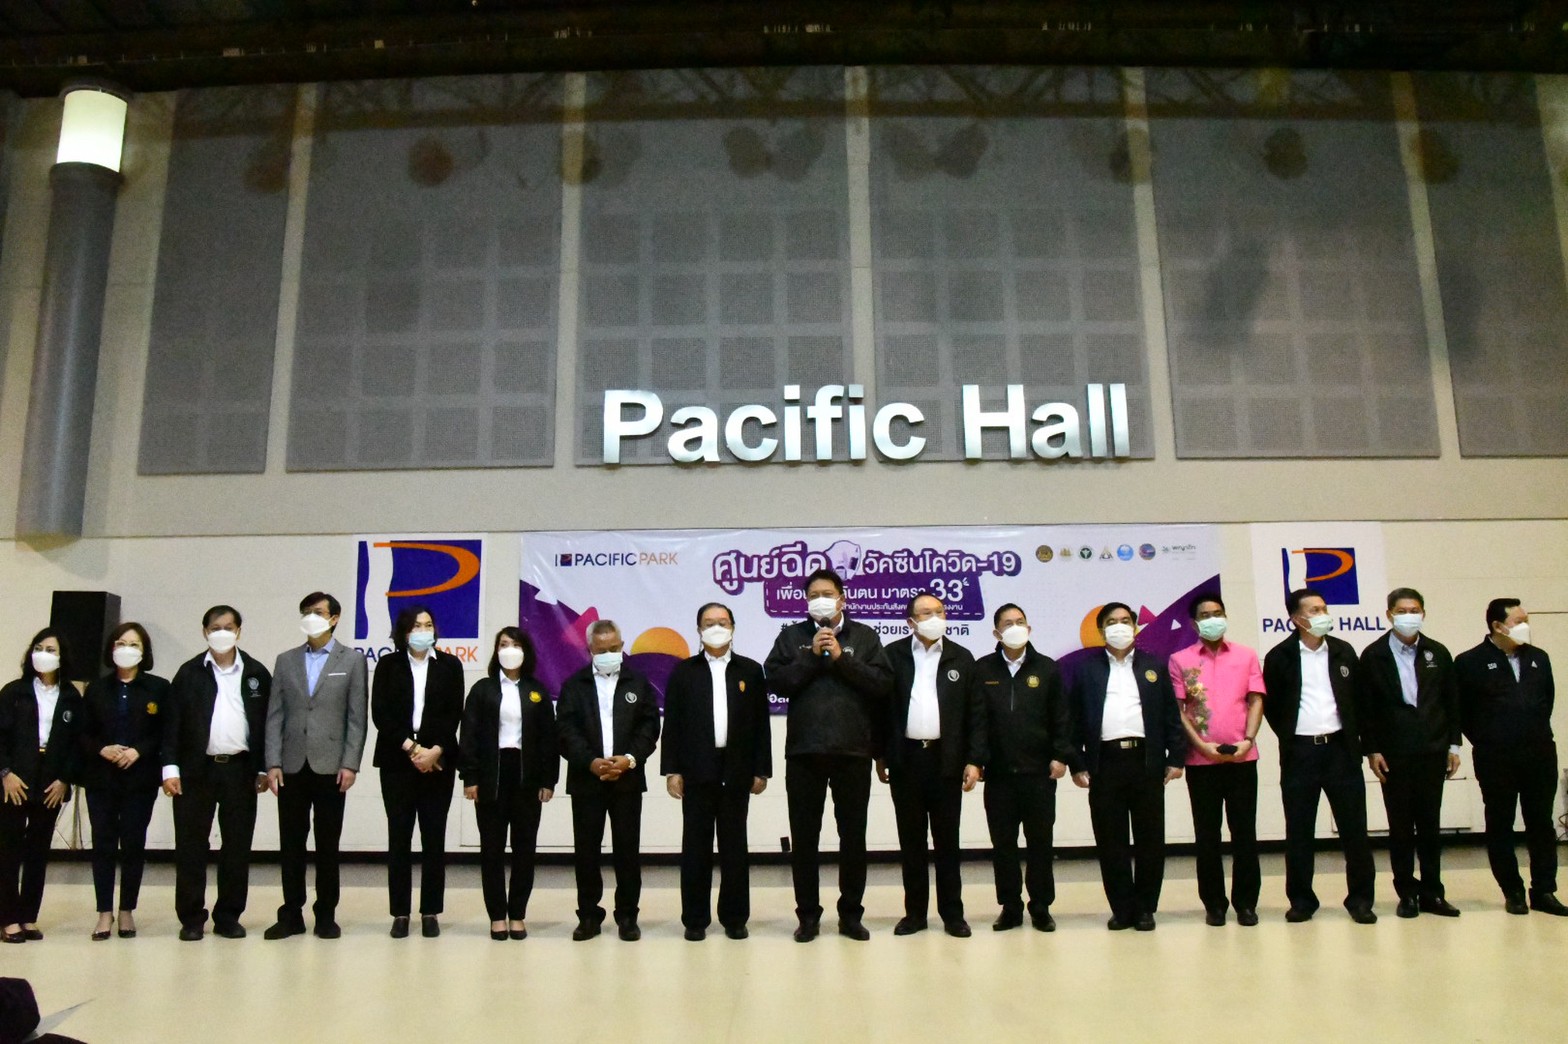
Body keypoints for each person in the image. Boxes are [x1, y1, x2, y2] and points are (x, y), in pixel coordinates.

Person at [764, 567, 894, 943]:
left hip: (853, 752)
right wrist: (811, 655)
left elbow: (882, 684)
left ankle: (850, 915)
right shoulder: (791, 637)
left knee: (853, 837)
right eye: (813, 595)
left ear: (842, 599)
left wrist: (840, 657)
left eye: (827, 594)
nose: (820, 600)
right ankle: (808, 916)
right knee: (805, 839)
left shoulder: (865, 637)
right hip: (804, 752)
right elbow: (776, 681)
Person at [1262, 587, 1377, 924]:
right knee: (1299, 831)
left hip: (1341, 749)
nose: (1322, 614)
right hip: (1300, 752)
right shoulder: (1279, 656)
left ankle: (1360, 900)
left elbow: (1360, 702)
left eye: (1324, 608)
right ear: (1296, 619)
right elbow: (1272, 706)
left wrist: (1364, 744)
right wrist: (1290, 736)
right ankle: (1301, 900)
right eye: (1314, 610)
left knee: (1354, 830)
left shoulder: (1343, 651)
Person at [1069, 603, 1185, 931]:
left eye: (1125, 621)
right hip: (1105, 763)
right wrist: (1077, 762)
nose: (1119, 627)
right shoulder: (1086, 669)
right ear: (1101, 630)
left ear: (1134, 626)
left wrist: (1176, 757)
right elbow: (1072, 719)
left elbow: (1170, 715)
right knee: (1111, 840)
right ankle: (1121, 908)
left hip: (1146, 760)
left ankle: (1146, 907)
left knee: (1151, 838)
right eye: (1111, 622)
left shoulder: (1153, 665)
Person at [662, 602, 772, 941]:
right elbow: (673, 724)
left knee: (734, 847)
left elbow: (761, 725)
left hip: (737, 769)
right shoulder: (684, 672)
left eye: (722, 622)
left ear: (733, 627)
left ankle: (735, 918)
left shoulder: (750, 670)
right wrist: (672, 770)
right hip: (696, 770)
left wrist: (761, 769)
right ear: (698, 630)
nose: (716, 628)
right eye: (709, 623)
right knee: (695, 848)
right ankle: (695, 919)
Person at [162, 605, 271, 941]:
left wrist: (264, 767)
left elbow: (267, 724)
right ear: (205, 632)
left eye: (228, 627)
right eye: (215, 627)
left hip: (240, 770)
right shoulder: (189, 672)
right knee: (191, 846)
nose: (222, 632)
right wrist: (170, 768)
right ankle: (192, 918)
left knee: (237, 846)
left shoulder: (256, 672)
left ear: (239, 631)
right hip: (196, 771)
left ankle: (228, 916)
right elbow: (172, 724)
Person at [264, 592, 368, 940]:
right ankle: (291, 913)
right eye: (307, 611)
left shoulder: (352, 660)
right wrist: (272, 762)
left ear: (334, 618)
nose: (312, 616)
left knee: (327, 844)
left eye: (319, 612)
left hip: (331, 766)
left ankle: (326, 914)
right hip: (291, 765)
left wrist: (350, 763)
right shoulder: (286, 660)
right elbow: (275, 714)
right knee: (291, 844)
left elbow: (356, 717)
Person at [879, 592, 983, 938]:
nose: (934, 618)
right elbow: (882, 710)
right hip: (906, 759)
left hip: (946, 759)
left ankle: (953, 914)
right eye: (926, 613)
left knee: (947, 842)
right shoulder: (892, 655)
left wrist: (974, 760)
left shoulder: (961, 657)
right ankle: (915, 914)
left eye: (939, 611)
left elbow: (975, 714)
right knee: (911, 842)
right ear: (911, 622)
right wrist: (881, 754)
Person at [1455, 598, 1565, 916]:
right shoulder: (1469, 662)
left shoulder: (1539, 658)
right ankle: (1512, 890)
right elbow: (1463, 712)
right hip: (1495, 756)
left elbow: (1546, 701)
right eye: (1518, 621)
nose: (1525, 626)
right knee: (1500, 824)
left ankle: (1544, 890)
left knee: (1541, 824)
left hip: (1539, 753)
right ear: (1497, 626)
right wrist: (1489, 738)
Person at [1359, 587, 1462, 918]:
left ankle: (1433, 892)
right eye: (1402, 611)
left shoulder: (1437, 652)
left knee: (1430, 825)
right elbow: (1366, 708)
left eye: (1414, 610)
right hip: (1394, 753)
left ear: (1423, 613)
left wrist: (1454, 745)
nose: (1409, 616)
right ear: (1389, 615)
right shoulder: (1373, 655)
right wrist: (1371, 749)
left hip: (1433, 749)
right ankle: (1407, 892)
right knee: (1401, 827)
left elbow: (1452, 701)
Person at [556, 620, 661, 941]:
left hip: (627, 780)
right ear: (590, 649)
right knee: (586, 852)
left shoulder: (638, 683)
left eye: (614, 648)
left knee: (627, 851)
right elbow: (566, 731)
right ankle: (589, 915)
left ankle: (627, 916)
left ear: (622, 645)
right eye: (601, 650)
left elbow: (649, 727)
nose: (609, 654)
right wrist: (590, 761)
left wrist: (629, 759)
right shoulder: (574, 685)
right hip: (586, 780)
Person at [972, 603, 1073, 933]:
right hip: (999, 775)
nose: (1015, 627)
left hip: (1039, 774)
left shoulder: (1047, 668)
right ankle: (1010, 906)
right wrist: (977, 759)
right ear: (996, 632)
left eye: (1020, 622)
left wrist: (1060, 755)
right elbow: (977, 720)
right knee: (1003, 845)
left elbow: (1062, 718)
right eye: (1008, 623)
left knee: (1040, 843)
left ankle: (1041, 906)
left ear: (1029, 628)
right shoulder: (982, 669)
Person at [1168, 593, 1266, 927]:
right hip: (1201, 761)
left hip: (1242, 757)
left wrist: (1247, 740)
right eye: (1206, 615)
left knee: (1245, 833)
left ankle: (1246, 903)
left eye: (1218, 613)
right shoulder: (1180, 660)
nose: (1213, 619)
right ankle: (1214, 904)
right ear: (1194, 623)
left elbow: (1256, 700)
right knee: (1207, 836)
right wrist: (1201, 746)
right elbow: (1179, 711)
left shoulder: (1246, 655)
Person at [371, 606, 463, 939]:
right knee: (399, 837)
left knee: (433, 838)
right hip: (398, 761)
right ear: (404, 631)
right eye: (416, 625)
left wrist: (435, 750)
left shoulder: (450, 665)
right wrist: (411, 749)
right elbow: (381, 713)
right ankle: (400, 912)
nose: (423, 630)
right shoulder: (388, 665)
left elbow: (454, 712)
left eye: (428, 625)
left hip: (437, 762)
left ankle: (430, 911)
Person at [461, 627, 558, 940]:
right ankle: (497, 916)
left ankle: (517, 914)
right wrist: (470, 777)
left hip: (527, 777)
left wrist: (548, 780)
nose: (509, 650)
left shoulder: (537, 691)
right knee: (491, 849)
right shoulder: (483, 689)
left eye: (515, 644)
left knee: (524, 849)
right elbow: (469, 735)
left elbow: (549, 739)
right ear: (496, 650)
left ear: (525, 651)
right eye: (503, 644)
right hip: (491, 775)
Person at [79, 623, 168, 940]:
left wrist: (139, 751)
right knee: (103, 844)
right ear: (111, 649)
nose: (126, 649)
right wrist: (101, 748)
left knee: (133, 844)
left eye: (134, 644)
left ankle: (127, 909)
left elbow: (165, 731)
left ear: (144, 652)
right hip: (101, 779)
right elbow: (83, 732)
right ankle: (104, 911)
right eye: (121, 643)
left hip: (140, 779)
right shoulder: (96, 688)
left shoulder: (158, 688)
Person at [0, 629, 81, 944]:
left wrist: (64, 779)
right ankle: (8, 919)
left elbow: (77, 744)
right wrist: (5, 773)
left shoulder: (71, 696)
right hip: (15, 779)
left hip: (51, 781)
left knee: (38, 850)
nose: (44, 654)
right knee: (8, 849)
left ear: (62, 658)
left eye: (51, 650)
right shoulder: (14, 692)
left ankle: (28, 915)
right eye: (39, 648)